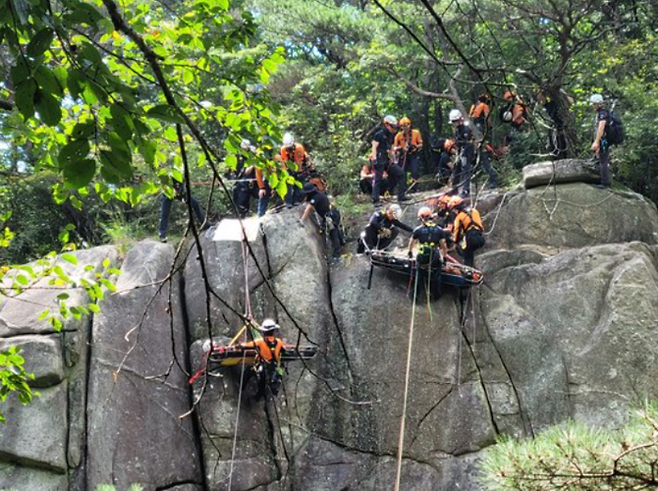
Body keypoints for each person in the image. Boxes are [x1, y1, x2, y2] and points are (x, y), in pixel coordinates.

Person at [408, 206, 450, 301]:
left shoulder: (418, 230)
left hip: (422, 257)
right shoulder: (439, 230)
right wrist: (445, 257)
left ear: (421, 218)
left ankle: (415, 296)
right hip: (434, 257)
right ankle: (437, 295)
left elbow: (411, 242)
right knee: (436, 275)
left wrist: (410, 253)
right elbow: (443, 245)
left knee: (419, 275)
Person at [239, 319, 285, 398]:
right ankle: (259, 396)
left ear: (264, 332)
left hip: (262, 367)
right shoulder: (279, 342)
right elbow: (284, 350)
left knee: (247, 372)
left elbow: (245, 346)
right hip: (273, 367)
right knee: (262, 382)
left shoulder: (260, 342)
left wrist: (239, 345)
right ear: (273, 331)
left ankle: (241, 388)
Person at [299, 182, 344, 262]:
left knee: (333, 234)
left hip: (330, 216)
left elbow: (309, 208)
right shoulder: (319, 194)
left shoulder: (316, 197)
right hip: (333, 213)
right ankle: (342, 243)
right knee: (335, 230)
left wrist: (302, 220)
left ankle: (337, 256)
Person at [370, 115, 408, 206]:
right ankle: (375, 200)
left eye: (395, 127)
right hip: (379, 159)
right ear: (387, 125)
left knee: (401, 173)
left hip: (387, 160)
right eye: (393, 127)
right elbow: (374, 147)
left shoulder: (391, 135)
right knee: (378, 179)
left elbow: (391, 148)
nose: (394, 129)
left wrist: (393, 159)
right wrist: (374, 159)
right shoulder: (379, 135)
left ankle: (401, 196)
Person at [158, 178, 206, 243]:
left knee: (195, 203)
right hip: (168, 193)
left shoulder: (181, 172)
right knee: (164, 214)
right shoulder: (168, 172)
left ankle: (205, 224)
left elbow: (183, 182)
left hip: (180, 192)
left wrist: (180, 191)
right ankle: (162, 235)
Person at [450, 198, 485, 268]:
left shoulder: (459, 217)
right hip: (480, 237)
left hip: (470, 239)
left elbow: (457, 232)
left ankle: (468, 271)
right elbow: (480, 226)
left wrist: (455, 241)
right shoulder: (474, 211)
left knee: (467, 255)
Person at [448, 109, 474, 197]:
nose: (454, 123)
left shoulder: (466, 128)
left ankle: (466, 190)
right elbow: (458, 143)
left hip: (467, 151)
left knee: (465, 169)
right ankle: (454, 189)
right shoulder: (456, 131)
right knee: (456, 169)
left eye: (455, 121)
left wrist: (463, 153)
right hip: (460, 151)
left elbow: (468, 142)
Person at [231, 139, 259, 217]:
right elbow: (244, 172)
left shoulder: (253, 155)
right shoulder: (239, 157)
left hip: (256, 181)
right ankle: (242, 213)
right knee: (240, 196)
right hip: (244, 182)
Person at [280, 133, 310, 207]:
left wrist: (299, 172)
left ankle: (297, 200)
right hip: (290, 166)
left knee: (300, 180)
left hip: (301, 165)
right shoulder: (283, 149)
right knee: (288, 183)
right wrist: (286, 172)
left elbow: (299, 162)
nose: (288, 149)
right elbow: (284, 162)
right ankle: (288, 201)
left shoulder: (299, 148)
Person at [590, 93, 612, 187]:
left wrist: (596, 142)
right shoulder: (602, 113)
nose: (593, 106)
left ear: (598, 104)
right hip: (603, 140)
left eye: (594, 104)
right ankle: (602, 180)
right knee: (601, 159)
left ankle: (605, 183)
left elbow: (601, 127)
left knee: (603, 160)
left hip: (604, 141)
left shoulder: (603, 113)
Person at [394, 117, 423, 184]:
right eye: (403, 126)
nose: (405, 128)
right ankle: (403, 187)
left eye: (407, 126)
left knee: (414, 170)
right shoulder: (398, 135)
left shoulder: (416, 133)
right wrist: (400, 148)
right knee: (403, 172)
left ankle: (414, 186)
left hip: (413, 154)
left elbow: (421, 144)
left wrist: (415, 146)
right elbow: (394, 147)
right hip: (403, 156)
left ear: (409, 125)